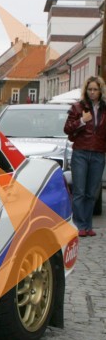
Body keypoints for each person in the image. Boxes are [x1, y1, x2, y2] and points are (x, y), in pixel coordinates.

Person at [64, 76, 106, 237]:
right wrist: (82, 120)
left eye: (95, 89)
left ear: (100, 91)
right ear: (86, 91)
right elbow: (67, 129)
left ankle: (88, 225)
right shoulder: (77, 108)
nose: (93, 92)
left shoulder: (104, 109)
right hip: (80, 152)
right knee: (80, 191)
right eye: (90, 89)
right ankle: (80, 225)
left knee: (92, 193)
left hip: (98, 153)